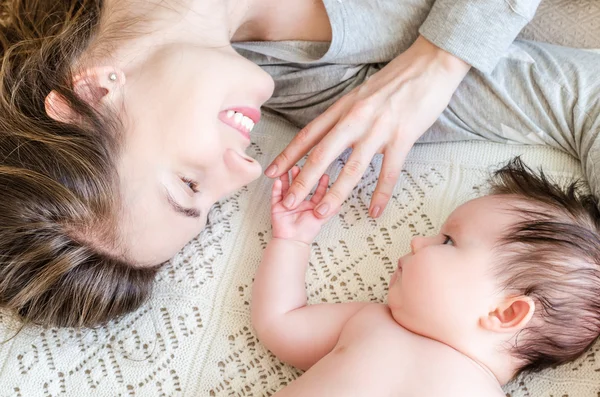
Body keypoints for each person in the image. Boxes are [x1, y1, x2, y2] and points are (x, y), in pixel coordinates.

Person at [0, 0, 597, 327]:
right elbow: (585, 98)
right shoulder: (323, 91)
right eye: (211, 206)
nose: (247, 171)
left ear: (96, 94)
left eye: (189, 182)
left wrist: (439, 58)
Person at [251, 158, 600, 396]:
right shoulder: (370, 321)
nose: (418, 242)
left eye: (448, 240)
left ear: (505, 313)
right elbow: (281, 324)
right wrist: (292, 241)